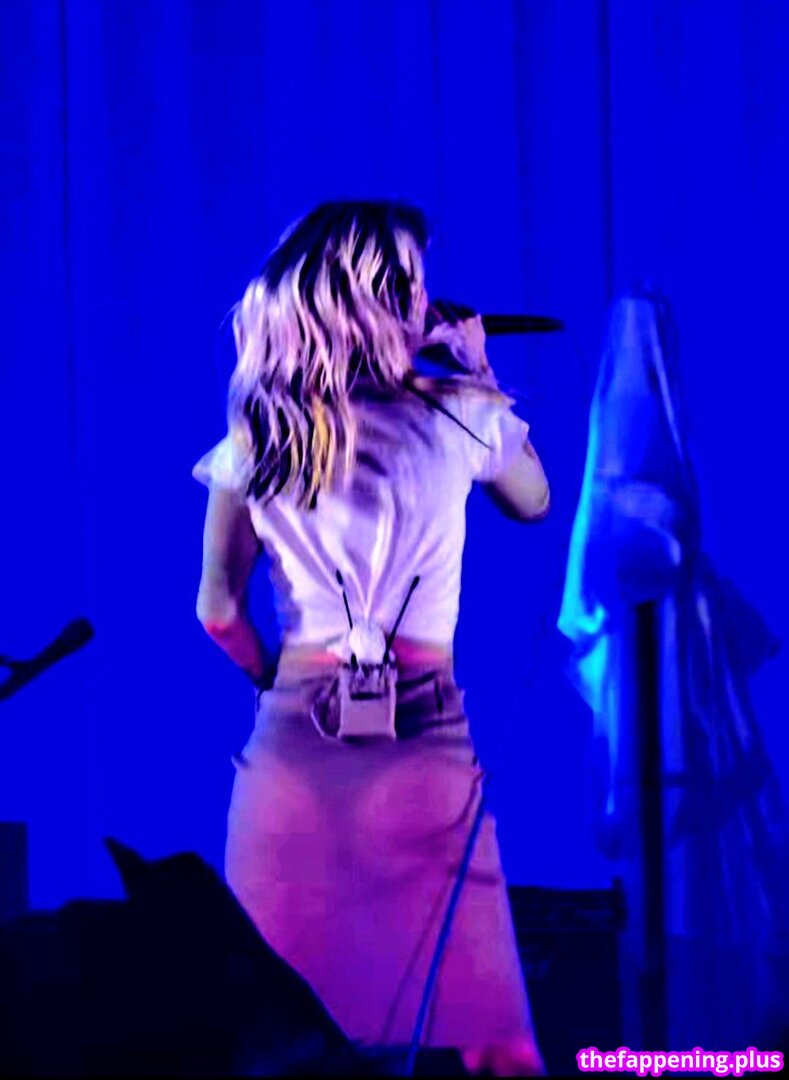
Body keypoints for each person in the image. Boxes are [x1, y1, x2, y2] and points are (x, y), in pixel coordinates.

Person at [193, 201, 550, 1076]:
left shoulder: (257, 433)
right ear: (390, 297)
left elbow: (218, 612)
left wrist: (278, 683)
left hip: (293, 746)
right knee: (489, 1040)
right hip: (422, 739)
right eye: (415, 283)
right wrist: (477, 371)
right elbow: (534, 501)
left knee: (273, 1035)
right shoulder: (457, 413)